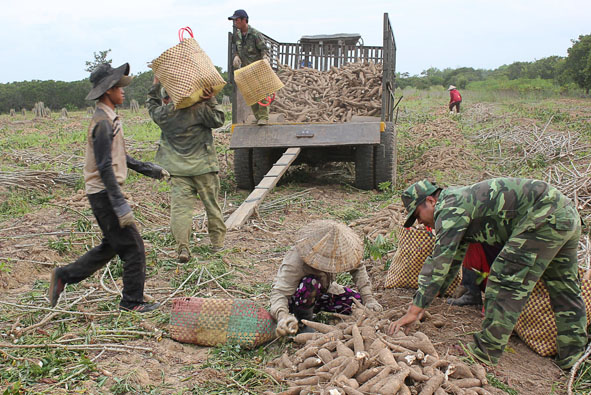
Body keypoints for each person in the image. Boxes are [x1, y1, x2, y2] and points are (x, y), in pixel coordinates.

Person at [389, 178, 587, 370]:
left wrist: (414, 310)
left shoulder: (449, 208)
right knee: (564, 287)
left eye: (418, 215)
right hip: (564, 213)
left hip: (544, 215)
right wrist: (428, 299)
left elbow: (439, 260)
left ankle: (485, 353)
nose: (421, 223)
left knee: (503, 280)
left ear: (431, 201)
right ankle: (572, 357)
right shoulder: (459, 200)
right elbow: (452, 258)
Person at [49, 63, 168, 312]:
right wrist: (119, 204)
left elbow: (119, 157)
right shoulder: (103, 122)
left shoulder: (109, 117)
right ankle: (131, 302)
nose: (122, 92)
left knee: (113, 245)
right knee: (134, 248)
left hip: (103, 194)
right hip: (103, 195)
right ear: (107, 92)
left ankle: (63, 276)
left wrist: (150, 169)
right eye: (118, 88)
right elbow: (104, 166)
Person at [146, 77, 226, 263]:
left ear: (167, 98)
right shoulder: (199, 109)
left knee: (181, 210)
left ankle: (183, 248)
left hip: (178, 170)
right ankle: (218, 245)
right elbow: (219, 119)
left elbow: (151, 105)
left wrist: (156, 83)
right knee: (212, 206)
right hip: (204, 168)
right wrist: (210, 99)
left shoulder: (163, 114)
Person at [271, 220, 383, 337]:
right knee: (311, 282)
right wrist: (282, 316)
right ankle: (304, 322)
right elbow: (280, 293)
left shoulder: (345, 250)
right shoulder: (296, 261)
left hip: (323, 293)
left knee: (357, 302)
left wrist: (368, 298)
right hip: (297, 299)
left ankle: (314, 311)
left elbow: (358, 268)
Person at [228, 9, 270, 125]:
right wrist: (236, 56)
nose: (235, 22)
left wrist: (265, 58)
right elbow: (236, 49)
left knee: (261, 93)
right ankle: (257, 117)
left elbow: (264, 50)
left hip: (257, 67)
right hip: (246, 69)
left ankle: (263, 117)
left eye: (237, 20)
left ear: (244, 20)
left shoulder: (255, 34)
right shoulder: (237, 35)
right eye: (234, 20)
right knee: (252, 95)